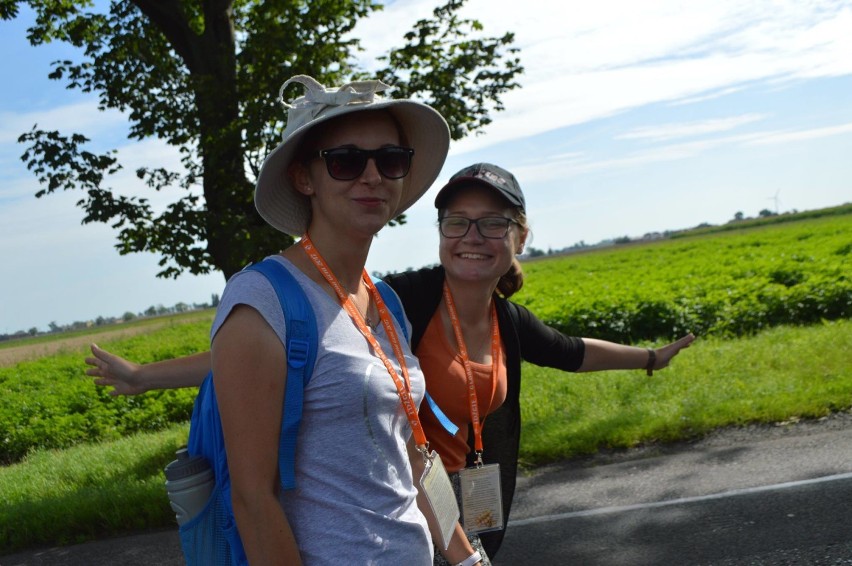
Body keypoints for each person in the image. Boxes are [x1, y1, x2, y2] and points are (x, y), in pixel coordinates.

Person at [88, 163, 694, 562]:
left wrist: (649, 359)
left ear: (518, 238)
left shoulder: (507, 318)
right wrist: (143, 377)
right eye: (457, 221)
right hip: (389, 518)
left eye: (492, 224)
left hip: (456, 511)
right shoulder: (399, 298)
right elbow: (259, 355)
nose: (473, 236)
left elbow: (573, 352)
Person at [149, 72, 487, 565]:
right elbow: (252, 499)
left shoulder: (386, 302)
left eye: (390, 160)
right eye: (346, 161)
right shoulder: (262, 301)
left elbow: (410, 456)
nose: (372, 176)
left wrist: (466, 558)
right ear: (304, 178)